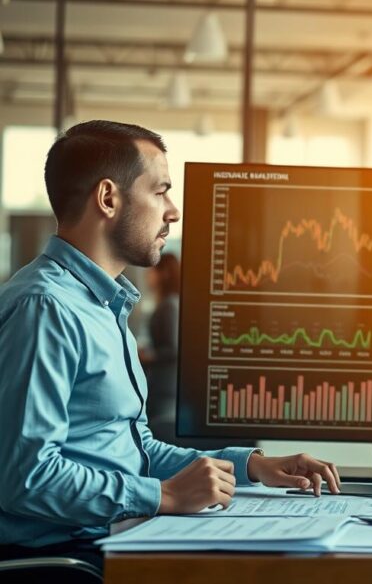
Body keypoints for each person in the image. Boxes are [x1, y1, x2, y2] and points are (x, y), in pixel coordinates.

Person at [0, 120, 343, 570]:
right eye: (160, 191)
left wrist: (252, 465)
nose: (173, 211)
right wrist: (162, 495)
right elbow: (25, 477)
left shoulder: (103, 305)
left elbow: (137, 450)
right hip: (65, 561)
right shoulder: (45, 308)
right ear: (108, 198)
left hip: (105, 541)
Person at [140, 253, 181, 443]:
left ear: (163, 273)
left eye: (152, 272)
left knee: (159, 437)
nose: (148, 277)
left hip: (165, 387)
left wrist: (149, 356)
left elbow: (174, 349)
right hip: (161, 386)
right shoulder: (168, 303)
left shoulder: (169, 306)